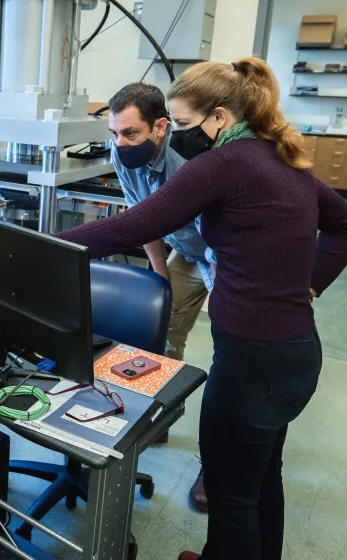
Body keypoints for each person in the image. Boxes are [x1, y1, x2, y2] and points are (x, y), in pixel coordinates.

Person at [57, 57, 347, 560]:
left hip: (251, 363)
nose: (177, 137)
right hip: (295, 354)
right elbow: (346, 225)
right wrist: (309, 286)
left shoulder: (225, 162)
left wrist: (39, 245)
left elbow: (129, 228)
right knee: (263, 476)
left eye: (180, 125)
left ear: (218, 118)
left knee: (230, 492)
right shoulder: (280, 154)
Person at [107, 82, 213, 512]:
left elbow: (225, 233)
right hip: (187, 249)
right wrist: (160, 275)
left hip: (227, 253)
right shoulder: (122, 155)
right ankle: (161, 418)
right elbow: (142, 218)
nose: (120, 143)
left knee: (231, 358)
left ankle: (215, 463)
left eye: (130, 133)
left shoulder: (193, 161)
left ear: (160, 127)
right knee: (162, 330)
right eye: (115, 132)